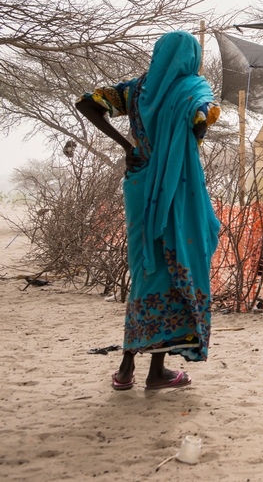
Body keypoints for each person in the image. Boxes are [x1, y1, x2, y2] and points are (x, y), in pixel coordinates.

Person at [76, 31, 220, 391]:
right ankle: (156, 372)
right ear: (191, 57)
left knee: (146, 266)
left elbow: (87, 103)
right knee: (175, 263)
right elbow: (201, 120)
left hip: (139, 181)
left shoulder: (134, 91)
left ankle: (127, 368)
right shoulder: (193, 89)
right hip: (177, 189)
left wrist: (128, 144)